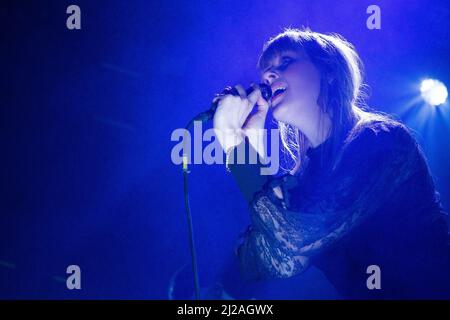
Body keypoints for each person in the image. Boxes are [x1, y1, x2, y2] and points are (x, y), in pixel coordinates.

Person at [212, 28, 450, 299]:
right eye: (265, 69)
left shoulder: (381, 141)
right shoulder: (304, 176)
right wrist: (251, 152)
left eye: (285, 62)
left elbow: (294, 240)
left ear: (329, 71)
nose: (267, 75)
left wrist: (235, 146)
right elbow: (264, 262)